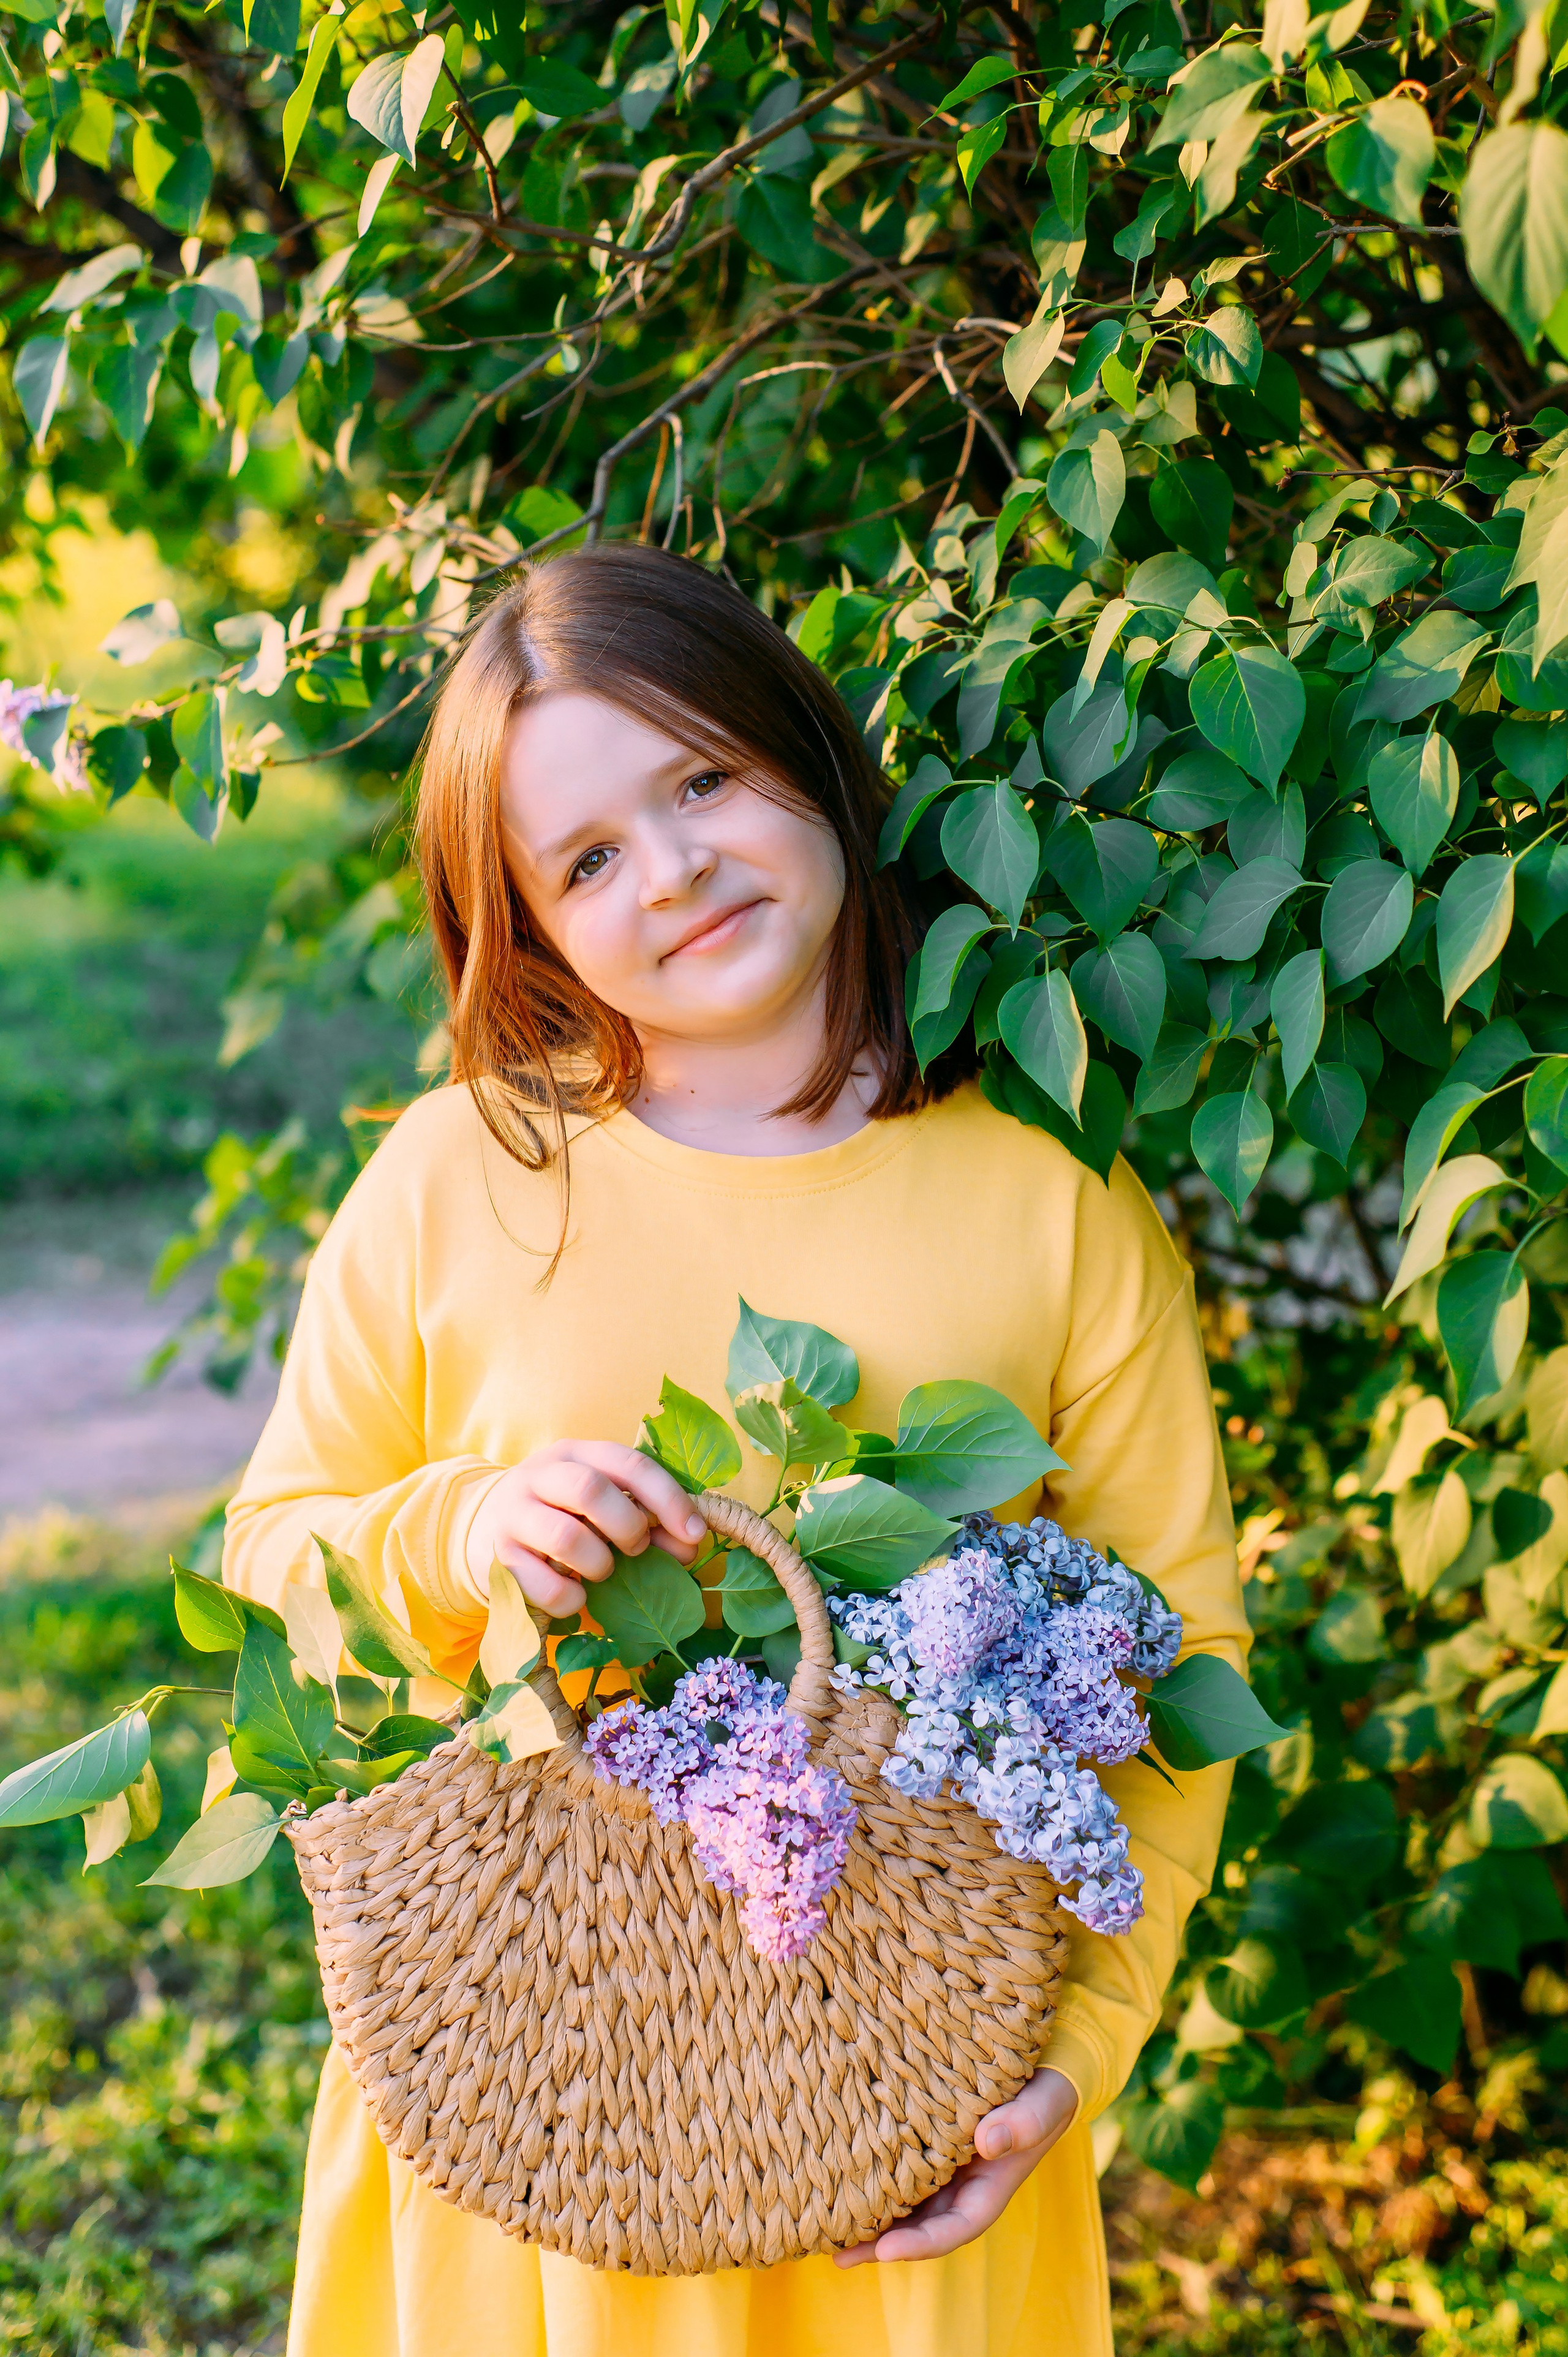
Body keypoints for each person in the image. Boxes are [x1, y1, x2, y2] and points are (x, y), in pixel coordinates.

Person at [224, 541, 1248, 2357]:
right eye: (586, 860)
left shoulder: (1052, 1199)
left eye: (703, 779)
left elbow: (1178, 1648)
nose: (675, 869)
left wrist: (1078, 2051)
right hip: (531, 2098)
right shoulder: (462, 1176)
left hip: (912, 2112)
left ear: (809, 750)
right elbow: (272, 1563)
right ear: (527, 926)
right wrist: (464, 1529)